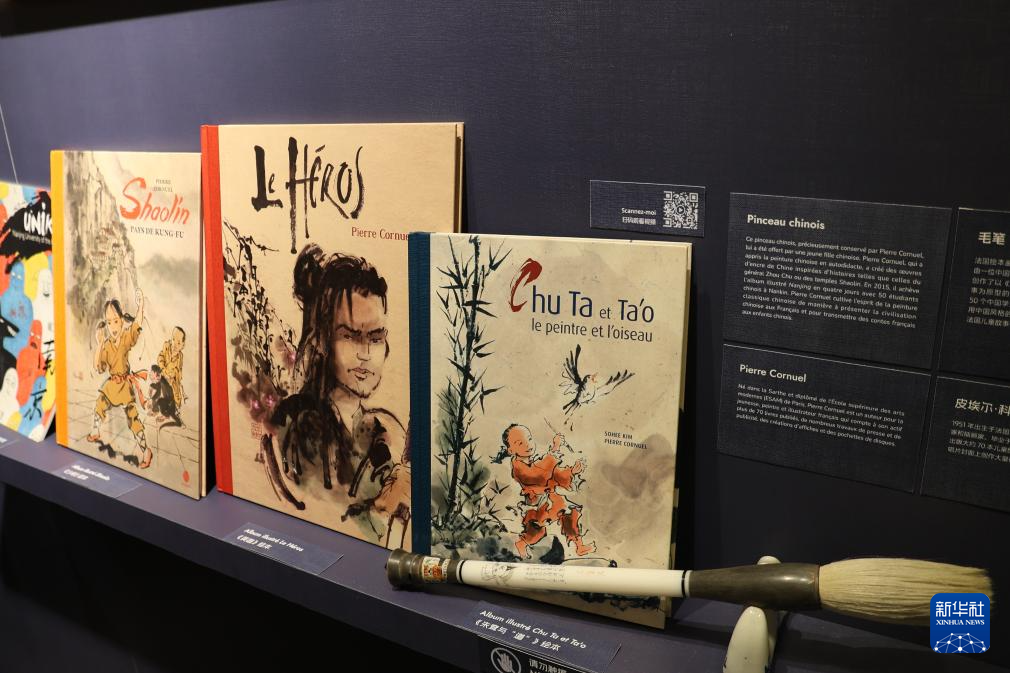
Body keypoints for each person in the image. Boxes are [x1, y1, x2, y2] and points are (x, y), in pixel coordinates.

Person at [264, 244, 407, 543]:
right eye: (350, 336)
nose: (365, 353)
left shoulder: (384, 427)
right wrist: (385, 506)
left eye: (376, 338)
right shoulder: (296, 422)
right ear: (321, 340)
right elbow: (320, 512)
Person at [503, 424, 595, 559]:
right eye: (520, 443)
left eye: (529, 439)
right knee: (536, 531)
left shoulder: (534, 460)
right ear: (511, 450)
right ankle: (521, 543)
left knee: (569, 513)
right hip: (537, 503)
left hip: (551, 499)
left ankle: (579, 546)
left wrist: (572, 471)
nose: (527, 444)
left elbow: (553, 474)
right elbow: (538, 475)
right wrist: (555, 448)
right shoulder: (518, 467)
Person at [87, 288, 151, 469]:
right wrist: (100, 344)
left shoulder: (125, 338)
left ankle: (146, 451)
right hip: (111, 385)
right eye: (109, 322)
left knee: (133, 418)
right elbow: (98, 367)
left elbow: (136, 326)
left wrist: (141, 305)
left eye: (116, 321)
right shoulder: (106, 344)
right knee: (100, 402)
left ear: (122, 320)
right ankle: (95, 431)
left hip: (124, 385)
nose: (113, 327)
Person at [156, 326, 186, 410]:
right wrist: (162, 369)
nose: (175, 344)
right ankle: (159, 406)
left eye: (178, 343)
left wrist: (176, 378)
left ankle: (175, 407)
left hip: (172, 379)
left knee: (175, 394)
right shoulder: (166, 346)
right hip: (163, 374)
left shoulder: (180, 357)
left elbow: (179, 370)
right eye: (173, 339)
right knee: (159, 388)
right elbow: (160, 357)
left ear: (183, 345)